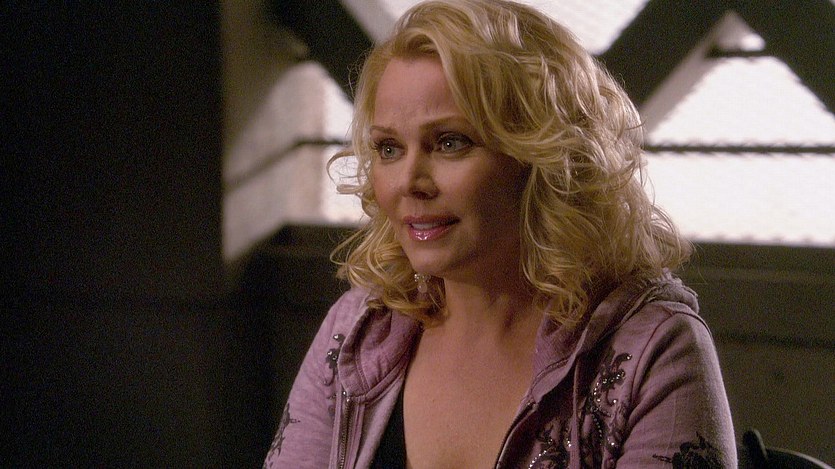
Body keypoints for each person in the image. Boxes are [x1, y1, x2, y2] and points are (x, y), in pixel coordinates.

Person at [264, 0, 736, 467]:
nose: (408, 181)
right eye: (389, 148)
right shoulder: (357, 332)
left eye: (450, 142)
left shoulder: (652, 350)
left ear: (542, 158)